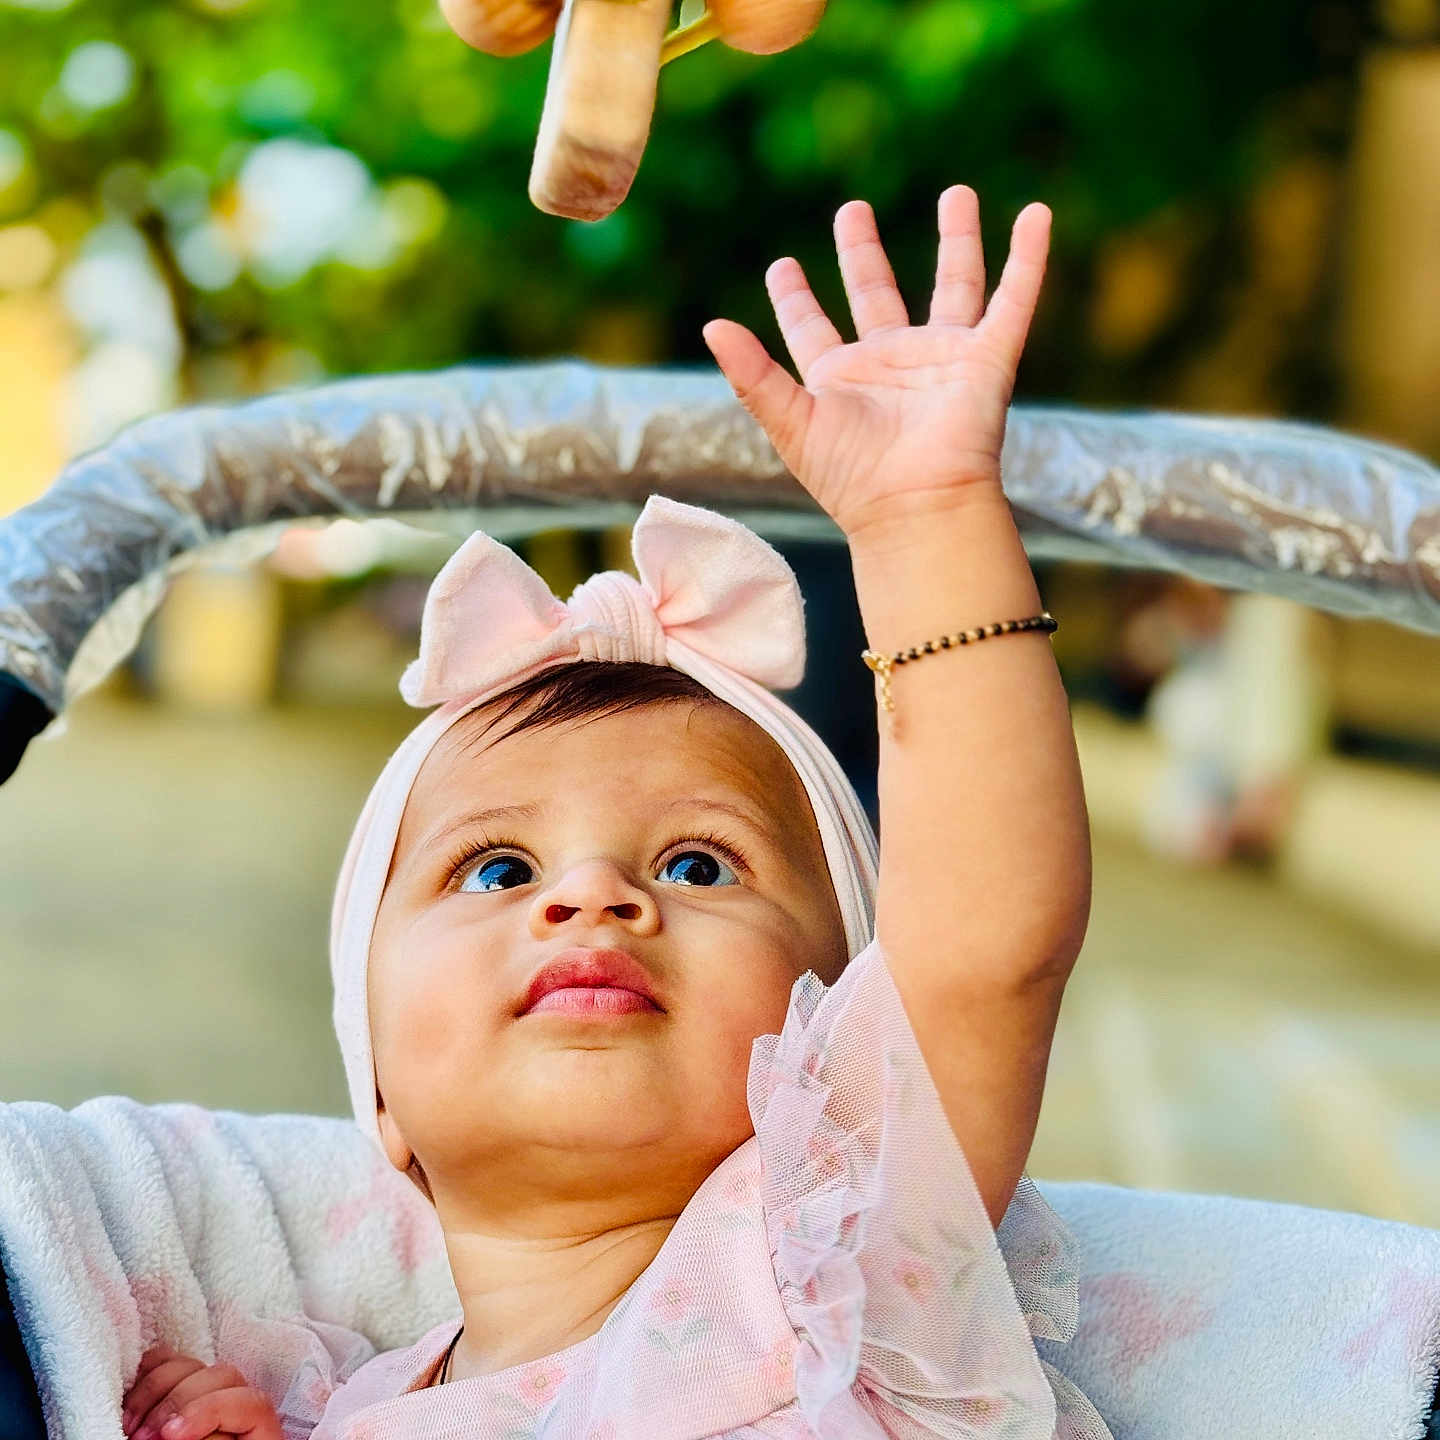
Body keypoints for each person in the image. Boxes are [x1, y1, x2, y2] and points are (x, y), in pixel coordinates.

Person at [120, 186, 1111, 1439]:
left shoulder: (815, 1266)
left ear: (836, 1036)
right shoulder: (344, 1403)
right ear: (380, 1091)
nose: (591, 897)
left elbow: (988, 950)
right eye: (493, 871)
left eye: (701, 864)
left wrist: (928, 524)